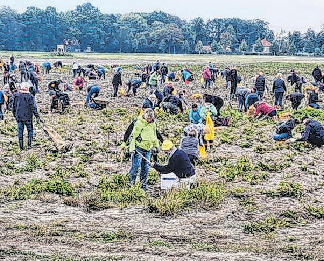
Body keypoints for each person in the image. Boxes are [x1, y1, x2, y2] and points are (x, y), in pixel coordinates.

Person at [128, 108, 160, 190]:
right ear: (145, 116)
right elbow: (133, 137)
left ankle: (143, 186)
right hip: (138, 149)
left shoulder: (153, 124)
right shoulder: (139, 123)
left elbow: (154, 136)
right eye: (149, 118)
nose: (150, 120)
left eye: (151, 118)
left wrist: (156, 146)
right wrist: (132, 149)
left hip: (148, 149)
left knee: (145, 168)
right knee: (135, 167)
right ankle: (131, 184)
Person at [12, 82, 43, 150]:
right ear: (27, 88)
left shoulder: (16, 95)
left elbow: (13, 107)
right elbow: (33, 107)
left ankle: (21, 147)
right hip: (28, 116)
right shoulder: (30, 96)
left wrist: (15, 115)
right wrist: (37, 116)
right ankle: (29, 145)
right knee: (30, 130)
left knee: (20, 131)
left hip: (19, 116)